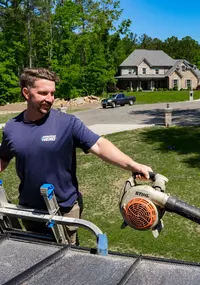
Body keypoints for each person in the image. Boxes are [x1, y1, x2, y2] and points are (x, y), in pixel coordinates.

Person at [0, 68, 152, 244]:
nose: (50, 99)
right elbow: (3, 157)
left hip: (64, 208)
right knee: (37, 254)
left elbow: (100, 145)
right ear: (26, 93)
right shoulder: (12, 128)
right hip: (29, 209)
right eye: (43, 93)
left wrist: (134, 165)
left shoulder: (67, 123)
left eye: (52, 93)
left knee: (68, 256)